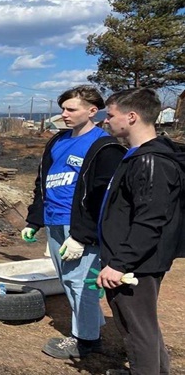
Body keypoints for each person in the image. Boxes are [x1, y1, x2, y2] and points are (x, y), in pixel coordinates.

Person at [21, 85, 126, 359]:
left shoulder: (104, 146)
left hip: (79, 226)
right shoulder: (57, 141)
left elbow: (104, 196)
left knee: (82, 282)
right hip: (54, 220)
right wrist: (35, 219)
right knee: (68, 280)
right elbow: (42, 181)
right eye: (63, 109)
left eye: (71, 109)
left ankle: (86, 340)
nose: (64, 114)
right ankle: (91, 325)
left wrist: (82, 235)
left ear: (93, 111)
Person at [98, 88, 185, 375]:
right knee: (143, 326)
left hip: (135, 264)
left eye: (110, 115)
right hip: (130, 258)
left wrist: (120, 263)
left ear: (131, 117)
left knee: (136, 331)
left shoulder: (151, 161)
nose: (106, 121)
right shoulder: (137, 155)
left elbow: (150, 220)